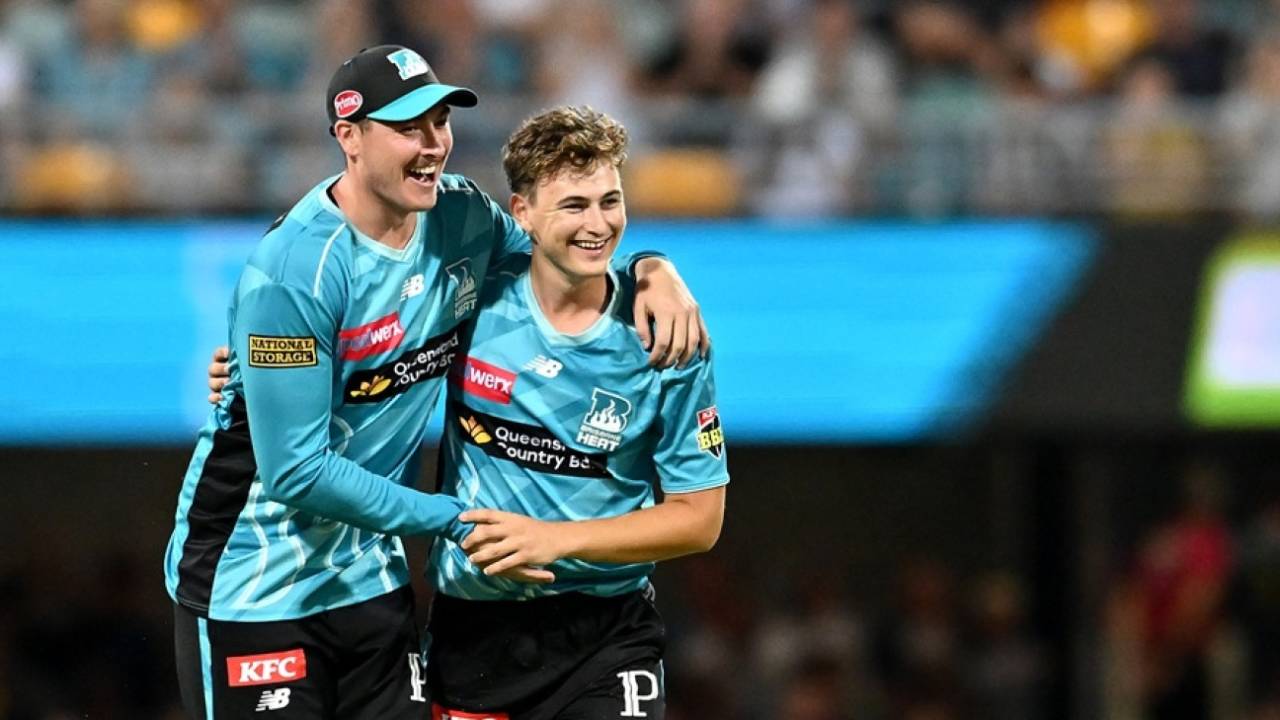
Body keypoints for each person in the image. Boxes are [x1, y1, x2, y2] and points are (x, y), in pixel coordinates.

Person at [168, 45, 707, 720]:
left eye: (440, 122)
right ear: (349, 137)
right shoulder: (297, 269)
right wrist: (452, 519)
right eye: (407, 128)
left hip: (370, 573)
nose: (433, 145)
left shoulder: (462, 219)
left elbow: (564, 254)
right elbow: (296, 472)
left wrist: (654, 268)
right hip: (256, 576)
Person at [425, 105, 729, 719]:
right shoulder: (470, 299)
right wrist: (250, 367)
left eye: (609, 201)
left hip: (605, 637)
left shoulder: (666, 334)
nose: (598, 225)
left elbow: (699, 519)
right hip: (473, 635)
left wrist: (554, 542)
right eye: (574, 205)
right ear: (523, 214)